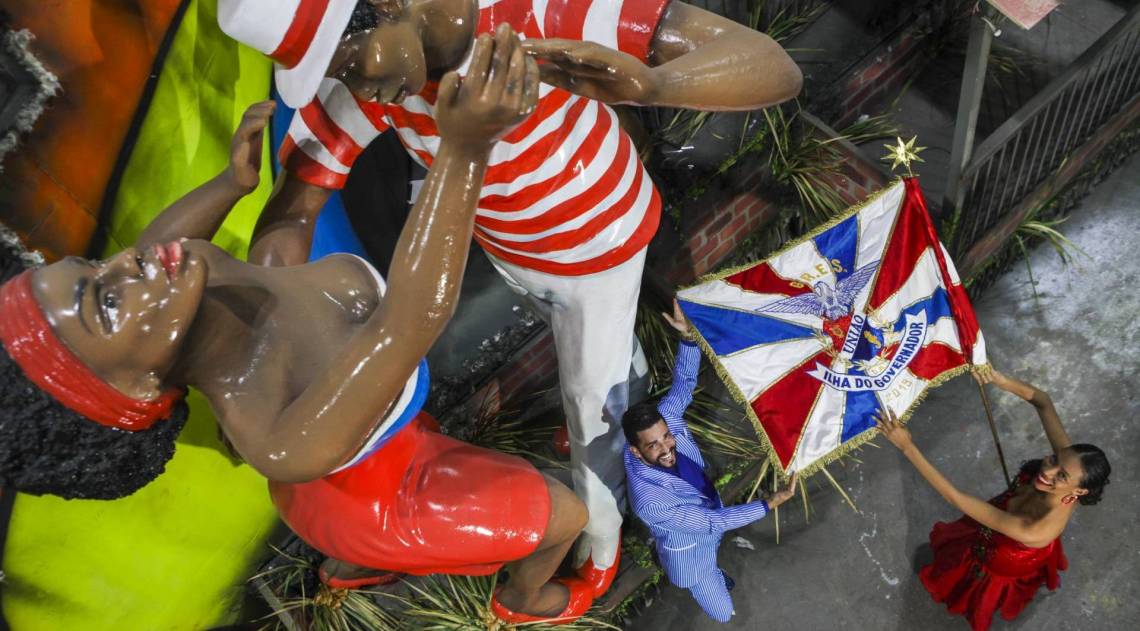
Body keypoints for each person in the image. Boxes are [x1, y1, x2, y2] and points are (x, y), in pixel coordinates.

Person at [0, 35, 602, 623]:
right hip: (384, 502)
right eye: (105, 301)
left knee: (290, 223)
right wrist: (466, 149)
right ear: (128, 392)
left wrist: (230, 185)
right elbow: (408, 323)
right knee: (566, 517)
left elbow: (158, 240)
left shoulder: (177, 273)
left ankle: (350, 569)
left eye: (88, 266)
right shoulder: (283, 440)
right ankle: (522, 601)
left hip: (378, 426)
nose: (124, 264)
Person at [216, 0, 803, 597]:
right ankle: (630, 401)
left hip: (599, 253)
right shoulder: (378, 87)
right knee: (600, 370)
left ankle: (600, 546)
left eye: (346, 59)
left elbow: (771, 66)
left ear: (389, 6)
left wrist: (657, 83)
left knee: (588, 410)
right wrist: (273, 340)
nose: (350, 80)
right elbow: (297, 201)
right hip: (518, 254)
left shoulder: (533, 16)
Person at [875, 370, 1111, 631]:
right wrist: (997, 380)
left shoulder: (1036, 528)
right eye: (1054, 458)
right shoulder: (1071, 461)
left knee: (977, 575)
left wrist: (907, 446)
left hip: (1005, 553)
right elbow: (1042, 400)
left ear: (1078, 492)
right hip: (1003, 520)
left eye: (1061, 476)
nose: (1047, 471)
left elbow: (954, 497)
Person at [623, 299, 798, 623]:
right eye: (653, 446)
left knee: (717, 536)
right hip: (691, 557)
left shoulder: (666, 420)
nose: (666, 448)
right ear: (635, 451)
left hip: (708, 517)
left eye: (666, 436)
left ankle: (717, 571)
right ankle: (716, 582)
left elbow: (684, 386)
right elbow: (712, 523)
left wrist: (689, 339)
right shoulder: (650, 503)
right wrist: (769, 503)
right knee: (722, 614)